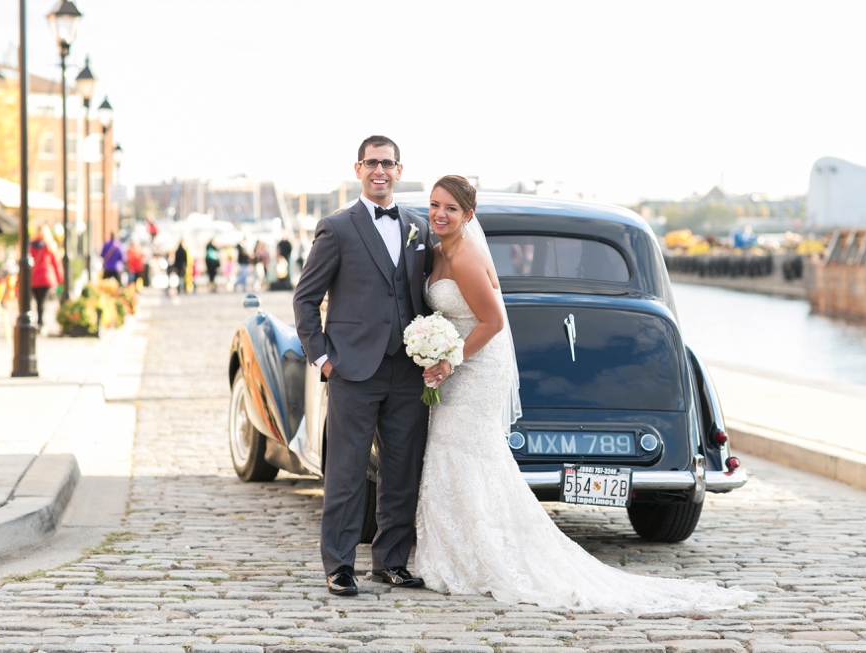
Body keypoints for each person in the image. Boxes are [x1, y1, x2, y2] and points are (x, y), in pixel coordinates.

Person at [414, 176, 755, 615]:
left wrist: (448, 358)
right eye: (434, 205)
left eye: (451, 208)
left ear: (469, 215)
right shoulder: (438, 250)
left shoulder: (465, 256)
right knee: (455, 453)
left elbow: (494, 320)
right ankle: (457, 550)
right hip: (463, 361)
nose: (440, 214)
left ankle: (482, 556)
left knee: (467, 452)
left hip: (474, 364)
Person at [293, 135, 433, 596]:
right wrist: (325, 358)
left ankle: (391, 562)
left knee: (402, 472)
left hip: (407, 370)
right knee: (348, 473)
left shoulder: (418, 226)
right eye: (372, 163)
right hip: (353, 370)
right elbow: (306, 299)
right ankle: (339, 564)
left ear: (399, 169)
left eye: (387, 164)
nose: (380, 171)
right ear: (358, 169)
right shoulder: (337, 228)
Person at [29, 225, 62, 328]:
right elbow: (56, 263)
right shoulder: (49, 246)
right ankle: (40, 322)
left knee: (37, 301)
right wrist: (60, 278)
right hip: (46, 278)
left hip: (33, 278)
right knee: (42, 302)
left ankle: (39, 322)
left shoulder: (30, 246)